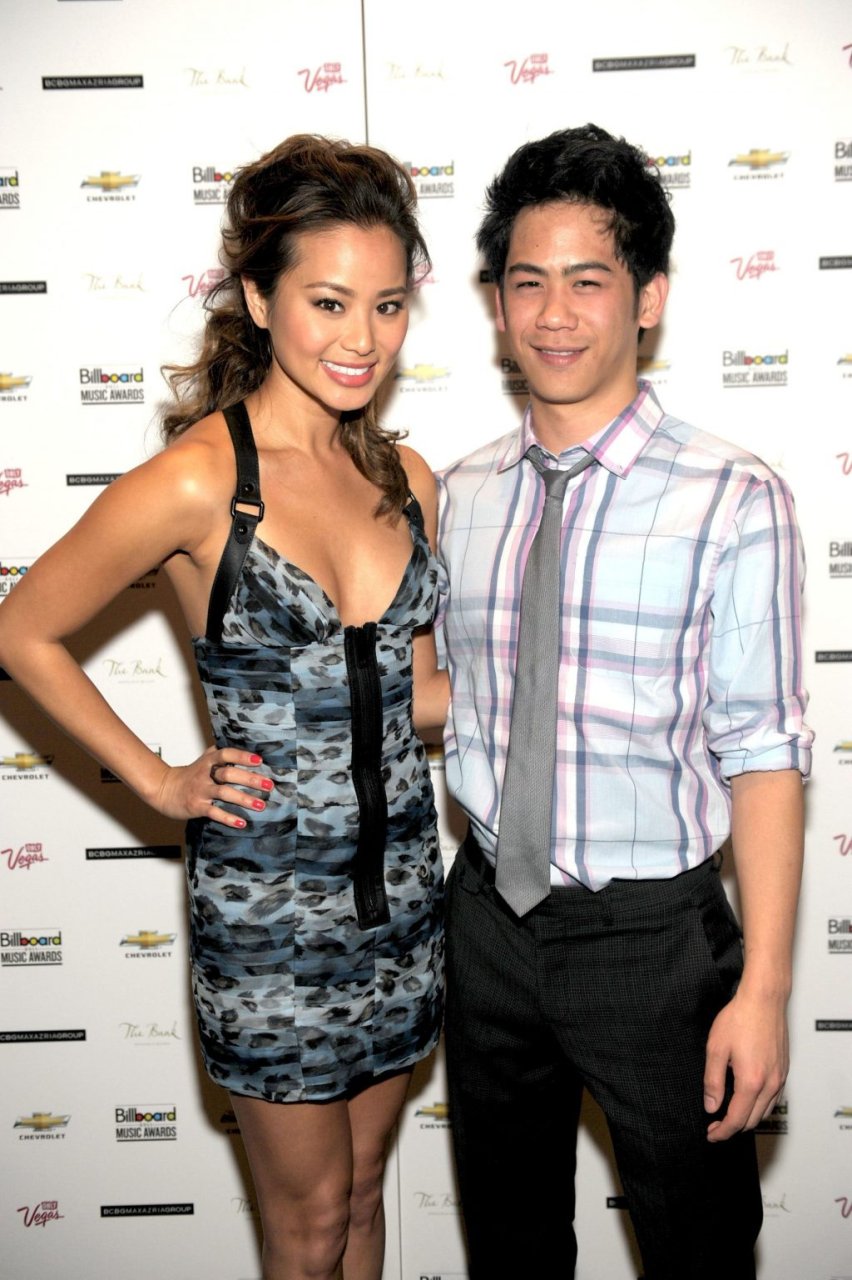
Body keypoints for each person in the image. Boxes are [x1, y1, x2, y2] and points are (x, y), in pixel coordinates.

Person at [0, 134, 447, 1280]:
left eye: (388, 304)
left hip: (404, 896)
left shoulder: (407, 480)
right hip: (271, 918)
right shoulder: (205, 480)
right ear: (258, 296)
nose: (362, 338)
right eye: (329, 302)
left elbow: (419, 694)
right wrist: (159, 778)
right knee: (308, 1225)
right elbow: (22, 629)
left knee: (363, 1196)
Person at [436, 123, 812, 1280]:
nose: (554, 313)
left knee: (700, 1249)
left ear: (648, 298)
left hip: (654, 941)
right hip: (486, 921)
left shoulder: (734, 496)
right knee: (509, 1246)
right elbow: (465, 695)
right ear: (497, 302)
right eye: (527, 281)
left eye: (588, 280)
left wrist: (765, 989)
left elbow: (764, 751)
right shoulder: (461, 493)